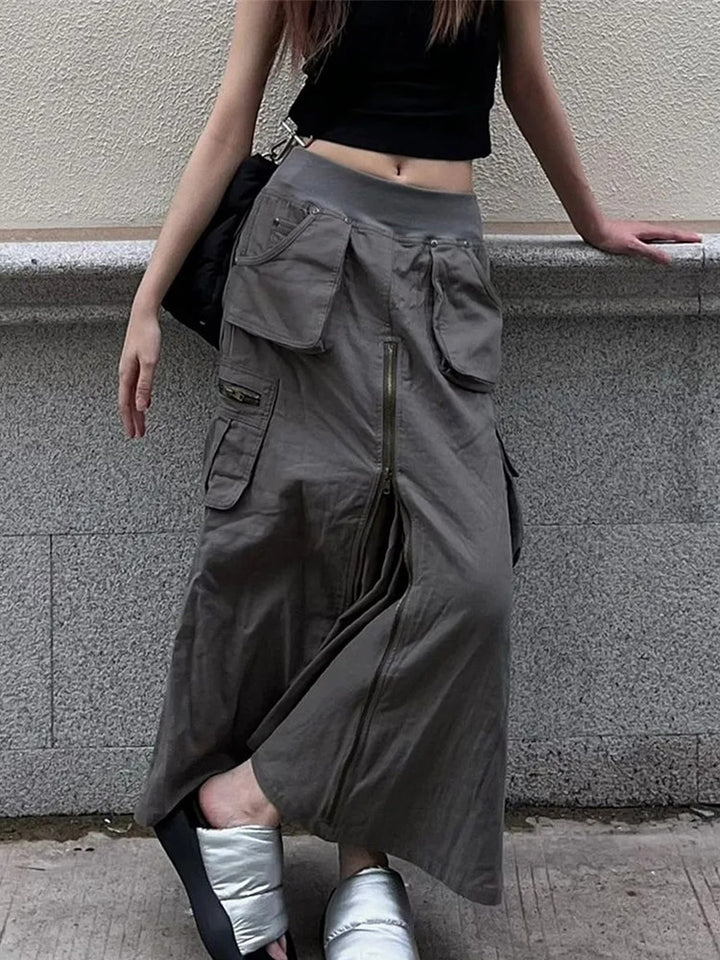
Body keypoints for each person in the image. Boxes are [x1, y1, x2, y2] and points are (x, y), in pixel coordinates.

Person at [118, 1, 701, 958]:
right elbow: (230, 118)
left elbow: (525, 82)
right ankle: (361, 869)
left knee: (466, 583)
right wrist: (146, 301)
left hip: (442, 267)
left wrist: (590, 219)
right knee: (316, 552)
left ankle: (245, 796)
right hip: (305, 251)